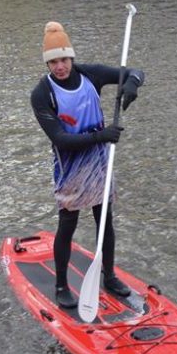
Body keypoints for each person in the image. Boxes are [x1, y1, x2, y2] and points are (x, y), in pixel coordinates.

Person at [30, 21, 145, 308]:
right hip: (70, 164)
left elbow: (135, 72)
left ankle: (109, 276)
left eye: (64, 59)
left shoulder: (89, 74)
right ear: (48, 63)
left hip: (100, 161)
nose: (60, 66)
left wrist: (131, 84)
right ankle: (60, 285)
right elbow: (60, 139)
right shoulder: (42, 94)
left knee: (105, 219)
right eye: (53, 61)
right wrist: (101, 136)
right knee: (67, 223)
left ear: (72, 57)